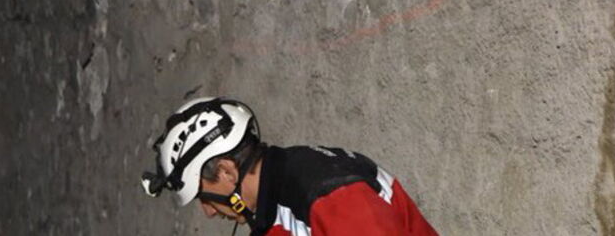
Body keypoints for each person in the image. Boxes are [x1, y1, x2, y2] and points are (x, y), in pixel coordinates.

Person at [141, 97, 438, 235]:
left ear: (227, 171)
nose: (207, 211)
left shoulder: (327, 196)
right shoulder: (274, 210)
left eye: (204, 196)